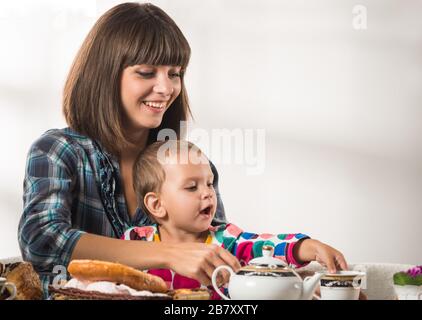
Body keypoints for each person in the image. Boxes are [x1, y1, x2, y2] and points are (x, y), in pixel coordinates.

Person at [18, 2, 240, 296]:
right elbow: (43, 240)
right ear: (106, 75)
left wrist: (295, 252)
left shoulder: (190, 165)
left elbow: (220, 249)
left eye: (175, 73)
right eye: (147, 72)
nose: (166, 88)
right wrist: (168, 253)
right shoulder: (58, 152)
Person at [122, 140, 349, 299]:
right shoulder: (136, 243)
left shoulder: (227, 239)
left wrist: (307, 247)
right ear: (157, 205)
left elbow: (266, 245)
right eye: (192, 187)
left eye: (210, 183)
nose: (208, 193)